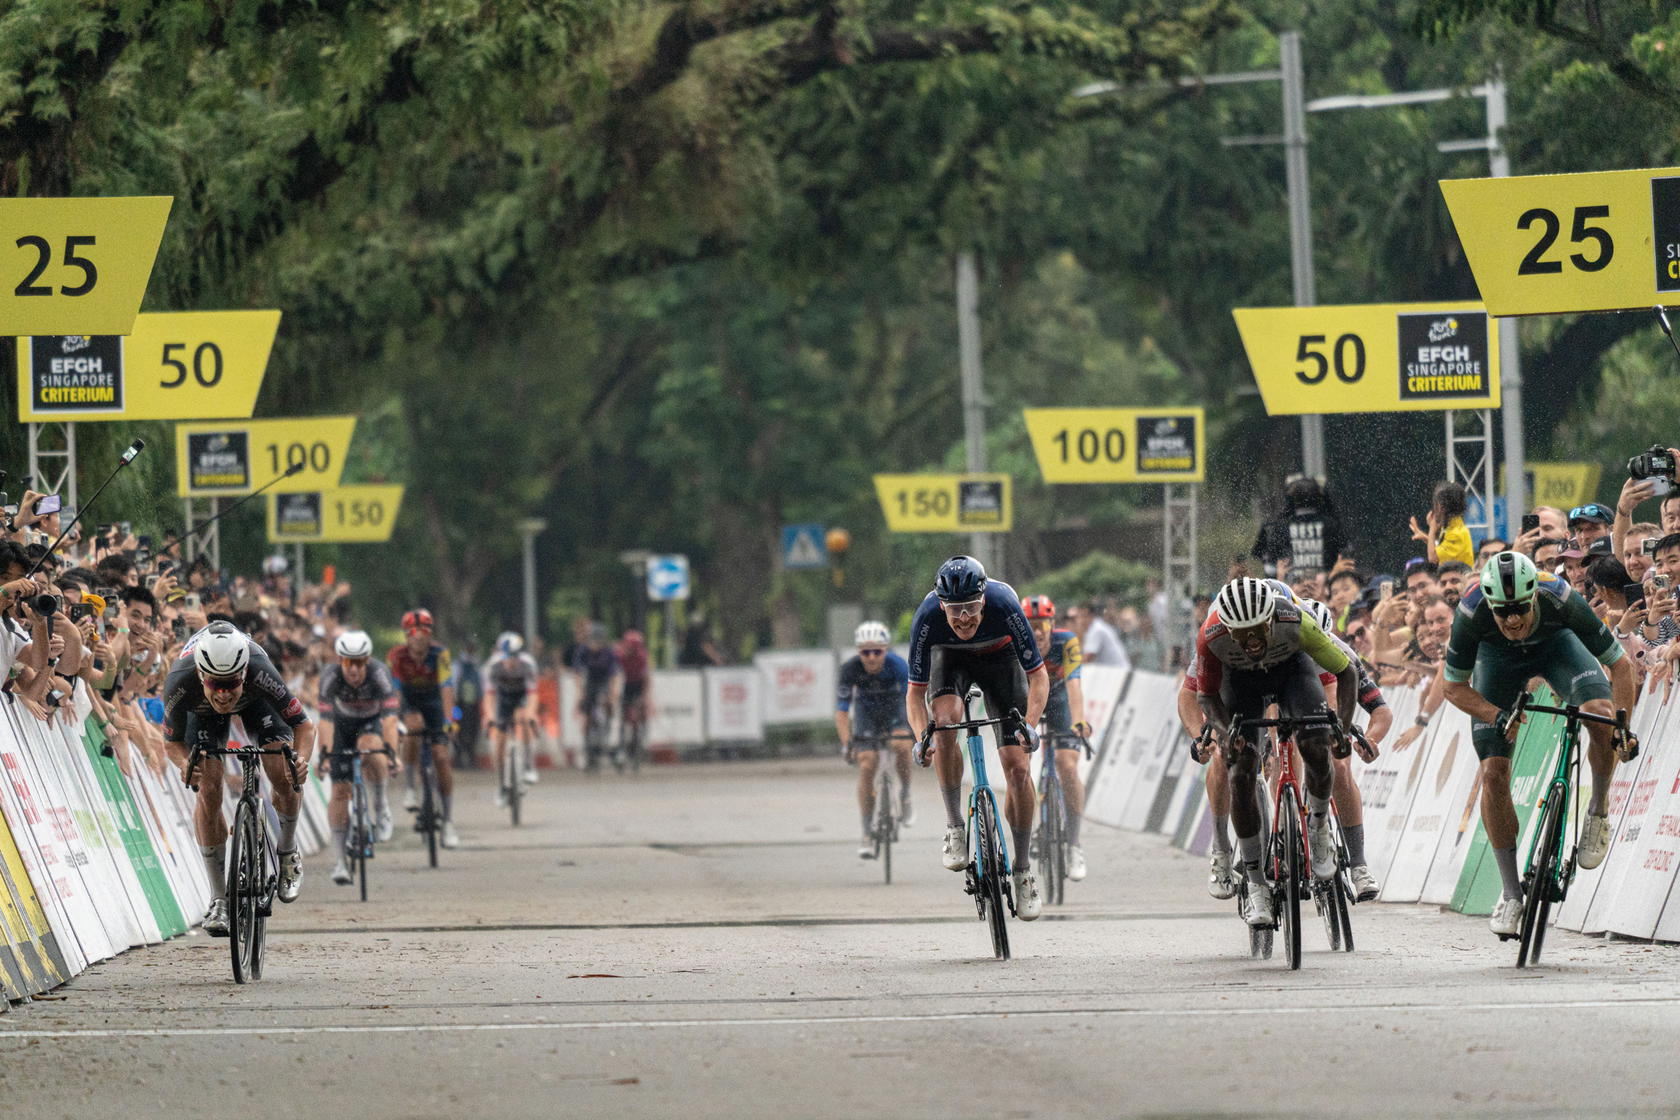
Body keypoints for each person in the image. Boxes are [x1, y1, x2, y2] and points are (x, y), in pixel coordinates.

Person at [1441, 552, 1637, 940]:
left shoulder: (1560, 597)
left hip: (1557, 646)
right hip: (1495, 662)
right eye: (1502, 612)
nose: (1512, 620)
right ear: (1490, 605)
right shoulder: (1470, 612)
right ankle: (1512, 894)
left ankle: (1598, 810)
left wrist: (1622, 726)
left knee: (1598, 713)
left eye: (1519, 609)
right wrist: (1494, 714)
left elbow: (1621, 667)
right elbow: (1452, 686)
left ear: (1534, 597)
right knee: (1492, 772)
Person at [1194, 578, 1358, 928]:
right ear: (1226, 627)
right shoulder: (1211, 635)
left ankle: (1317, 827)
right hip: (1239, 683)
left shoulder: (1295, 619)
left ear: (1271, 618)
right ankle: (1256, 885)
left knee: (1315, 743)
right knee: (1239, 770)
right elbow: (1205, 696)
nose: (1251, 641)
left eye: (1257, 630)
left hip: (1292, 671)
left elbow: (1347, 671)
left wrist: (1341, 726)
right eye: (1242, 633)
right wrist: (1226, 735)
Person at [906, 556, 1048, 920]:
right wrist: (922, 738)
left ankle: (1022, 868)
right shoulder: (927, 618)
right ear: (942, 605)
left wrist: (1030, 725)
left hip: (1001, 660)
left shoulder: (1005, 604)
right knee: (944, 722)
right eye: (955, 610)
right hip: (950, 661)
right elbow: (914, 693)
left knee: (1018, 769)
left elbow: (1038, 676)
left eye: (970, 607)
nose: (964, 618)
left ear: (983, 599)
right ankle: (955, 825)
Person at [163, 621, 317, 934]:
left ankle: (287, 852)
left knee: (283, 773)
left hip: (257, 703)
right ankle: (219, 898)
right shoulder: (181, 680)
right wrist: (184, 764)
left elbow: (304, 726)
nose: (223, 694)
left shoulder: (261, 671)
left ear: (244, 674)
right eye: (215, 685)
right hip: (201, 714)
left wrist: (300, 761)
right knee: (208, 789)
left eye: (231, 683)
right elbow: (171, 741)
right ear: (201, 675)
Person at [315, 629, 402, 885]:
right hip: (342, 726)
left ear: (367, 660)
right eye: (347, 662)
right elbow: (326, 721)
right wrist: (325, 756)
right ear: (340, 660)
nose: (353, 669)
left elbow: (390, 720)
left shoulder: (379, 674)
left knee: (372, 746)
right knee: (340, 792)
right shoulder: (329, 677)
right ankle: (340, 861)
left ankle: (380, 804)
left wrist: (392, 754)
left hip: (372, 722)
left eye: (359, 663)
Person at [1022, 594, 1093, 882]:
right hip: (1029, 700)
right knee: (1018, 764)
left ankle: (1074, 843)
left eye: (1042, 624)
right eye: (1030, 624)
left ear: (1052, 624)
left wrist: (1078, 720)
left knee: (1067, 765)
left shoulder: (1067, 642)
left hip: (1061, 699)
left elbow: (1074, 683)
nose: (1037, 631)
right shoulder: (1016, 643)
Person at [834, 620, 914, 857]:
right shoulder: (850, 669)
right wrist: (847, 742)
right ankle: (867, 832)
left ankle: (905, 792)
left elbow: (914, 699)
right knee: (867, 762)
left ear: (885, 650)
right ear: (859, 652)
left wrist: (918, 734)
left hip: (895, 711)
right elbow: (841, 711)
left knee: (901, 746)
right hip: (866, 715)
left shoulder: (898, 665)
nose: (871, 657)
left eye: (877, 651)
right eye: (865, 652)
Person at [387, 608, 460, 848]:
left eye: (424, 634)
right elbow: (396, 692)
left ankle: (448, 822)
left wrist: (449, 722)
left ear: (430, 635)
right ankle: (410, 787)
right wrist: (398, 720)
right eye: (413, 635)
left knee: (441, 757)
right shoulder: (397, 656)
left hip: (434, 701)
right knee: (412, 729)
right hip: (409, 700)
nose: (419, 640)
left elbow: (447, 689)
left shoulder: (441, 654)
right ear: (407, 637)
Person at [1251, 475, 1350, 576]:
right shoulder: (1331, 525)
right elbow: (1345, 553)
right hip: (1324, 587)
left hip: (1291, 587)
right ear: (1320, 498)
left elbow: (1269, 565)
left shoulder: (1281, 527)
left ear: (1290, 499)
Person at [485, 632, 540, 802]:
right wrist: (490, 716)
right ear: (501, 654)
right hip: (503, 698)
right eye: (508, 657)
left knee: (525, 719)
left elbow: (533, 694)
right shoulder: (493, 666)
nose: (511, 661)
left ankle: (529, 766)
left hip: (521, 696)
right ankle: (502, 785)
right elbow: (489, 696)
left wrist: (531, 713)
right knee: (500, 741)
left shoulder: (528, 664)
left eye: (515, 656)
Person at [571, 622, 621, 769]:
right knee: (586, 708)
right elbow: (578, 673)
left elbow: (615, 676)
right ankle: (587, 742)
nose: (595, 644)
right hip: (591, 681)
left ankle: (608, 734)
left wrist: (612, 695)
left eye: (598, 641)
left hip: (605, 681)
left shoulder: (609, 653)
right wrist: (580, 693)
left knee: (609, 705)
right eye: (592, 641)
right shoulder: (583, 651)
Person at [1411, 482, 1474, 567]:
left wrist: (1432, 529)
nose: (1433, 508)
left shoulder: (1456, 533)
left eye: (1435, 504)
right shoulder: (1452, 528)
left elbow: (1433, 558)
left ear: (1441, 508)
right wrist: (1425, 537)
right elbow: (1440, 549)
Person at [1066, 600, 1128, 668]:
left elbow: (1087, 659)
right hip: (1113, 673)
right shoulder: (1093, 628)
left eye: (1082, 616)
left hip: (1119, 673)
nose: (1079, 621)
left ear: (1090, 615)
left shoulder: (1096, 630)